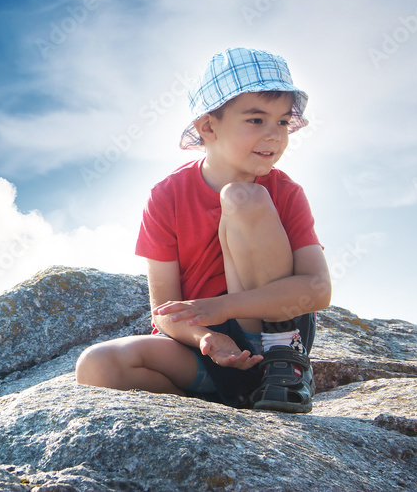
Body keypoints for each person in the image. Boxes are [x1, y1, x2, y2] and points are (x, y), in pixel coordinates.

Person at [75, 47, 331, 413]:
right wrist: (207, 337)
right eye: (256, 120)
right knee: (97, 365)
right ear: (208, 127)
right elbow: (163, 309)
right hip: (200, 350)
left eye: (283, 122)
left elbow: (317, 289)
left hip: (268, 335)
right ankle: (214, 408)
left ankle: (284, 365)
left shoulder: (286, 192)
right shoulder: (167, 196)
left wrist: (220, 308)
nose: (274, 136)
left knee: (243, 198)